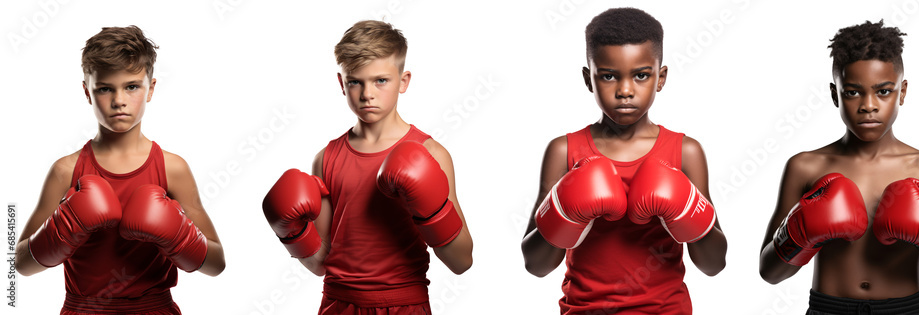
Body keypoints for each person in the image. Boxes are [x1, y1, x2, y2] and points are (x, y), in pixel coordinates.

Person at [758, 20, 919, 314]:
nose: (868, 105)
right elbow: (770, 272)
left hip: (907, 309)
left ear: (902, 92)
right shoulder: (806, 166)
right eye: (852, 92)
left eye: (883, 91)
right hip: (829, 309)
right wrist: (800, 232)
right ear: (834, 94)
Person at [520, 8, 728, 315]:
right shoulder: (564, 150)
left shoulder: (685, 151)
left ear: (661, 78)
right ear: (588, 79)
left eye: (641, 75)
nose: (625, 91)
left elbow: (713, 264)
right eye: (608, 76)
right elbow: (536, 265)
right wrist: (568, 212)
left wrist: (683, 209)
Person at [261, 20, 474, 314]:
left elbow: (462, 261)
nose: (367, 93)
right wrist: (291, 234)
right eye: (355, 81)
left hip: (405, 304)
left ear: (404, 81)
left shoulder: (431, 153)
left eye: (381, 80)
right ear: (341, 83)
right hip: (338, 303)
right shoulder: (326, 158)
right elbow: (320, 263)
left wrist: (432, 211)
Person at [14, 25, 226, 314]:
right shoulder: (66, 170)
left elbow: (216, 264)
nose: (118, 101)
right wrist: (63, 229)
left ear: (150, 89)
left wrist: (176, 236)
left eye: (131, 86)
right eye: (104, 88)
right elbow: (21, 264)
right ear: (87, 91)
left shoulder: (172, 168)